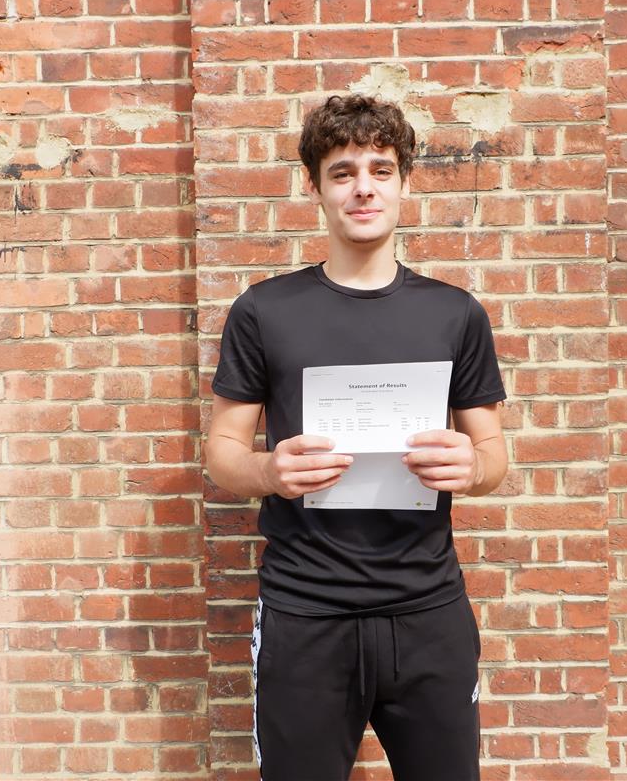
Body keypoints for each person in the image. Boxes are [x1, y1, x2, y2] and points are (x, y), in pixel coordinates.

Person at [204, 94, 508, 781]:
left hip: (428, 611)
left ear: (405, 183)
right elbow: (222, 450)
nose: (363, 187)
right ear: (313, 187)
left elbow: (494, 455)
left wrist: (470, 465)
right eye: (342, 172)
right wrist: (269, 472)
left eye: (380, 169)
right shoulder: (264, 311)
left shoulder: (455, 313)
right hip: (305, 614)